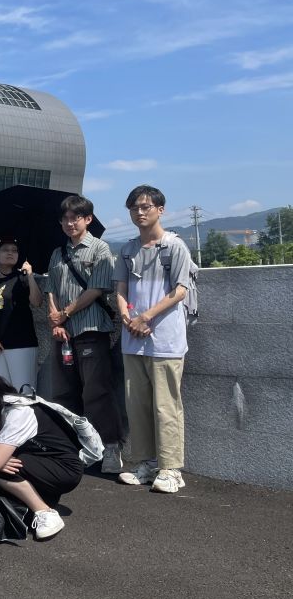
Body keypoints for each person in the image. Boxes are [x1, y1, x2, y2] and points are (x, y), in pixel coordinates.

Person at [113, 185, 195, 493]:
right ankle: (146, 463)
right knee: (137, 406)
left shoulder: (174, 247)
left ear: (161, 210)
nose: (139, 212)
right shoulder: (127, 250)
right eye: (134, 207)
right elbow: (120, 289)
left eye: (146, 206)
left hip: (165, 340)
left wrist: (145, 317)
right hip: (133, 339)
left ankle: (171, 469)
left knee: (166, 405)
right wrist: (128, 318)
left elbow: (180, 291)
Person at [0, 361, 84, 540]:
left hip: (63, 468)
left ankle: (44, 512)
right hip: (32, 462)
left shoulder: (16, 411)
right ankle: (29, 504)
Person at [46, 195, 124, 473]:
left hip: (91, 330)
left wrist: (65, 313)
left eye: (75, 218)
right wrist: (55, 321)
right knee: (65, 393)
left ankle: (111, 447)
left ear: (88, 219)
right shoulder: (57, 253)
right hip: (63, 335)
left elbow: (96, 290)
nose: (70, 223)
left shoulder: (100, 249)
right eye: (65, 219)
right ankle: (75, 446)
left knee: (97, 391)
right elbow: (51, 289)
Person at [0, 237, 44, 392]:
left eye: (14, 250)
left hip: (22, 343)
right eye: (5, 250)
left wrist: (30, 275)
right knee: (1, 392)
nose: (10, 253)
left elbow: (37, 302)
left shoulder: (22, 278)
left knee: (24, 392)